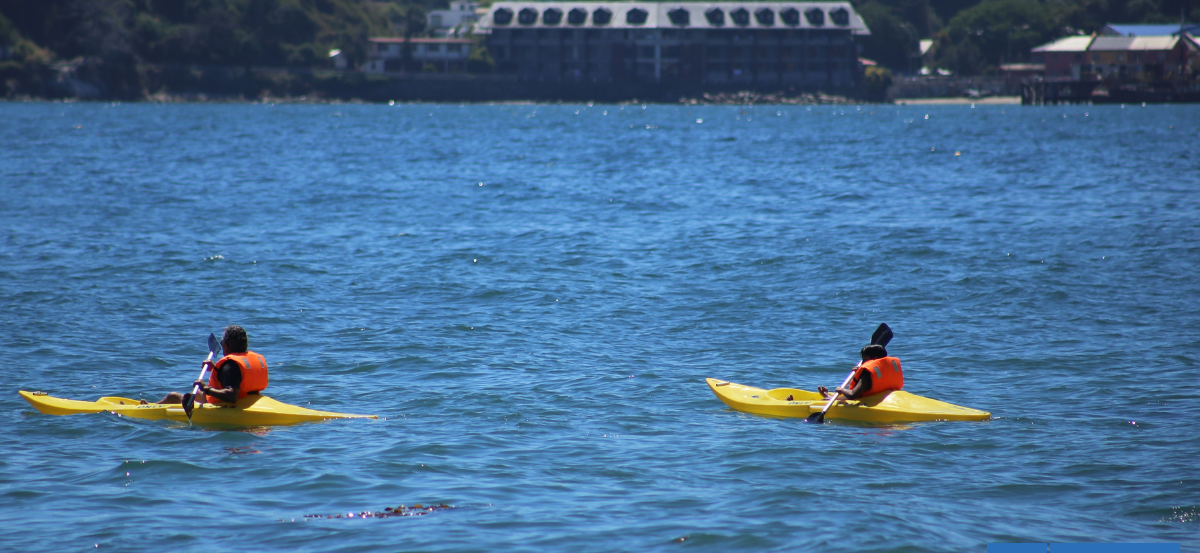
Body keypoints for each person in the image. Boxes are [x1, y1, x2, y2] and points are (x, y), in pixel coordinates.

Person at [155, 325, 269, 405]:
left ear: (226, 346)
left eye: (222, 343)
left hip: (225, 404)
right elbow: (238, 378)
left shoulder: (230, 365)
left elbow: (231, 396)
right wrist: (216, 369)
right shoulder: (241, 362)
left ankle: (149, 408)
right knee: (197, 393)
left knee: (173, 396)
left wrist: (206, 388)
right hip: (247, 398)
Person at [817, 343, 904, 401]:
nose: (862, 362)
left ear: (875, 357)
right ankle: (828, 398)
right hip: (887, 397)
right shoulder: (887, 367)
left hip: (869, 401)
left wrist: (841, 390)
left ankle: (828, 398)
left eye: (865, 359)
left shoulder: (867, 373)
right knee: (826, 400)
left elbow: (852, 395)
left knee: (825, 401)